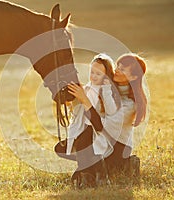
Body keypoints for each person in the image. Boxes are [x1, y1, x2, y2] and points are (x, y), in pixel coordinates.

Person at [56, 53, 147, 186]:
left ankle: (117, 166)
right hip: (100, 139)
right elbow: (91, 112)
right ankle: (89, 170)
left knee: (86, 136)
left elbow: (101, 127)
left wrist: (84, 100)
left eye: (122, 69)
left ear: (133, 77)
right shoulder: (107, 88)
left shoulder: (130, 104)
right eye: (118, 66)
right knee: (62, 148)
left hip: (117, 148)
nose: (116, 70)